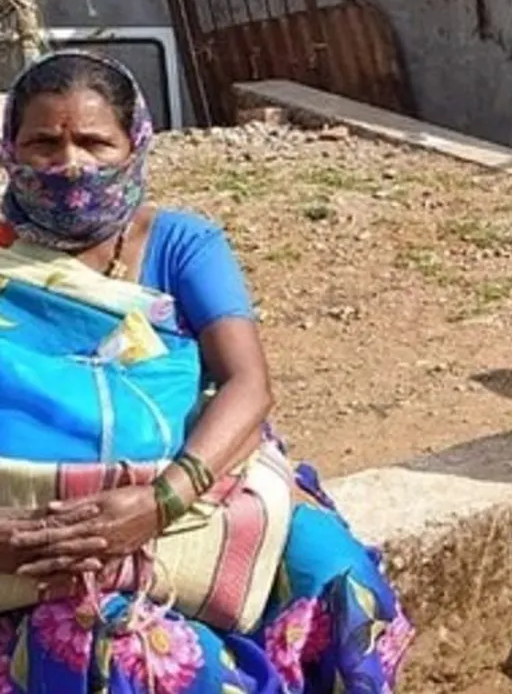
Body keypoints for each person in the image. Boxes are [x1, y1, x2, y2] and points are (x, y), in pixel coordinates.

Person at [0, 51, 411, 691]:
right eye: (44, 144)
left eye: (95, 143)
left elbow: (248, 383)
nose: (71, 165)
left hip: (194, 487)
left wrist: (159, 502)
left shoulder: (179, 244)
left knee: (340, 585)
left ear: (135, 145)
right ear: (10, 149)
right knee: (114, 647)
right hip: (34, 519)